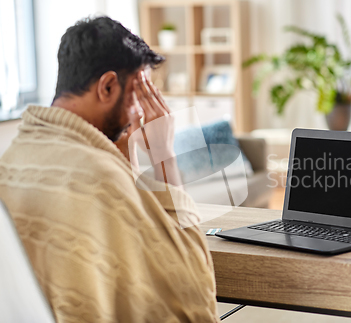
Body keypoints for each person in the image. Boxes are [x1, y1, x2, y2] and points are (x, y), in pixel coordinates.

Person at [0, 16, 219, 322]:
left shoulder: (12, 157)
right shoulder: (99, 178)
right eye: (139, 94)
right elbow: (190, 295)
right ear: (107, 86)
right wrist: (164, 155)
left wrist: (123, 151)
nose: (141, 112)